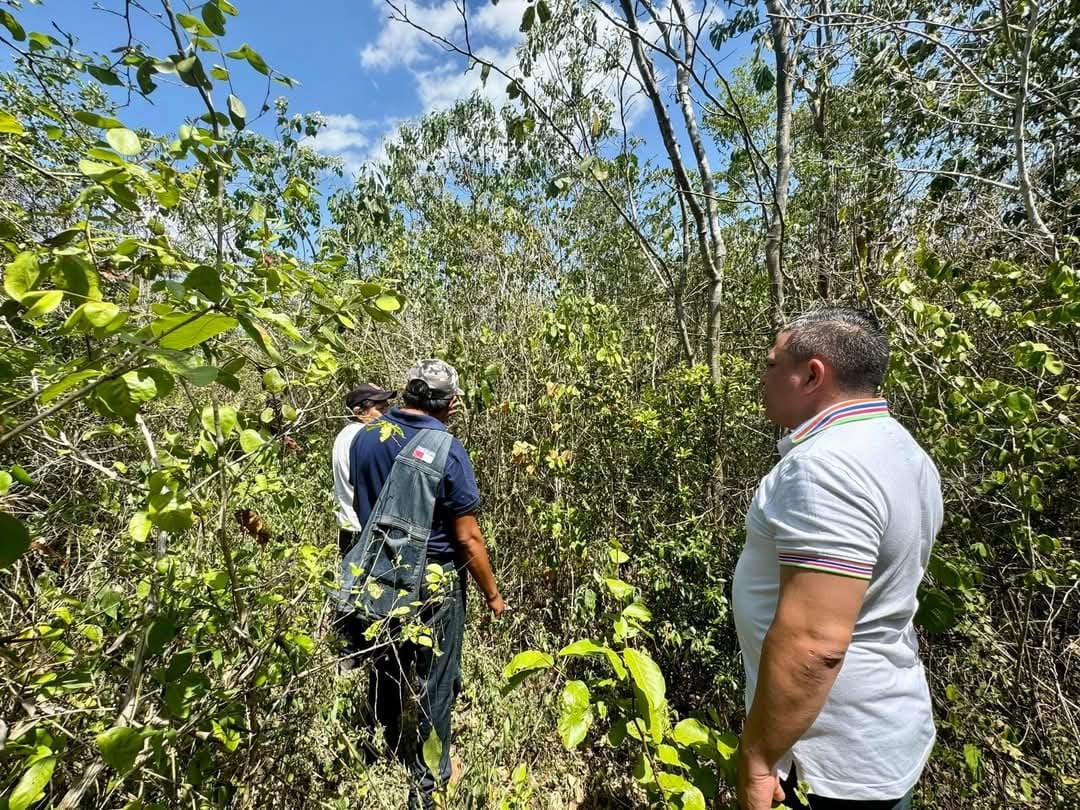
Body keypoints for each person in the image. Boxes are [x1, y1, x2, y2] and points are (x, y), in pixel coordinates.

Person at [733, 307, 942, 810]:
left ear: (811, 374)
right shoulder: (902, 451)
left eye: (771, 364)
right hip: (876, 735)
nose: (761, 377)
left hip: (836, 763)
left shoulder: (825, 469)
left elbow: (815, 643)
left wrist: (759, 760)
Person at [346, 359, 504, 810]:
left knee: (386, 661)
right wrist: (492, 594)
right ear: (448, 403)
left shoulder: (366, 439)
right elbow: (468, 537)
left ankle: (382, 742)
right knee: (437, 678)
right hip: (434, 583)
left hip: (378, 572)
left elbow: (364, 507)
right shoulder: (447, 449)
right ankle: (430, 779)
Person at [332, 383, 396, 556]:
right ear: (358, 412)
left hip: (348, 527)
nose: (386, 415)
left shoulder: (344, 435)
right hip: (365, 529)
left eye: (386, 408)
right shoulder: (365, 437)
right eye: (380, 410)